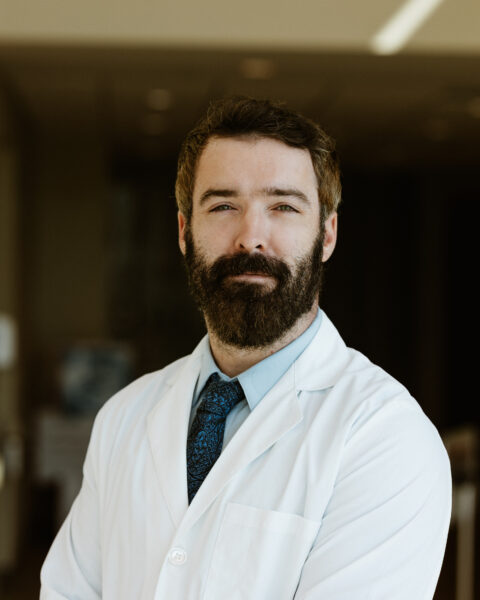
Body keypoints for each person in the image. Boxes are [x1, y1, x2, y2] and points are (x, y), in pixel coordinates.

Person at [40, 97, 451, 599]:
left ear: (327, 234)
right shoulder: (124, 416)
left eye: (282, 206)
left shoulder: (385, 438)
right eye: (223, 206)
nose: (251, 237)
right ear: (184, 232)